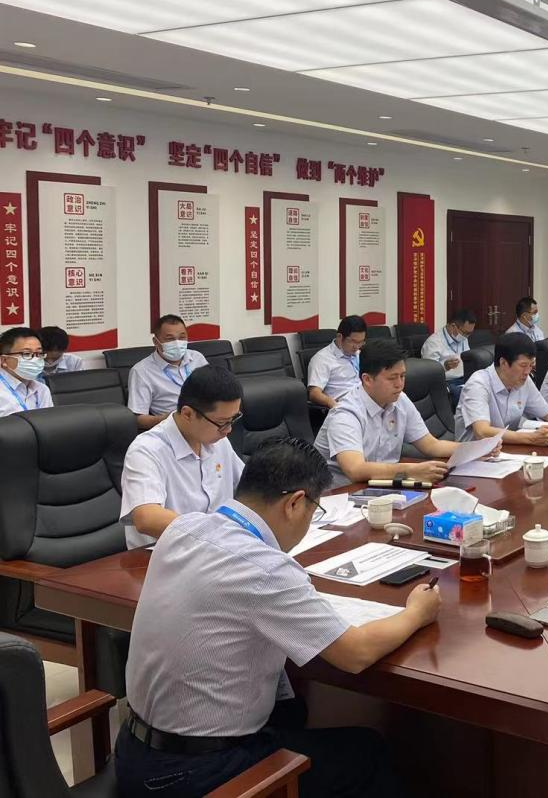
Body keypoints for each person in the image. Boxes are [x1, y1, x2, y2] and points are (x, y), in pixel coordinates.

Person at [115, 437, 434, 797]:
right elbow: (355, 653)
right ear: (295, 503)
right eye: (314, 509)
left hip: (133, 752)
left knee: (292, 711)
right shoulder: (265, 568)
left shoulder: (183, 529)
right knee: (366, 751)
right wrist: (416, 613)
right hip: (193, 775)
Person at [119, 366, 245, 550]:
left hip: (218, 550)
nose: (228, 430)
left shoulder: (218, 441)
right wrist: (215, 533)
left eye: (233, 419)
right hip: (167, 556)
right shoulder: (146, 450)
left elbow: (249, 488)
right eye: (221, 423)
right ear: (187, 414)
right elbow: (147, 518)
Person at [315, 339, 461, 488]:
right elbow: (355, 469)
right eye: (392, 378)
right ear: (367, 379)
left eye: (402, 376)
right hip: (342, 493)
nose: (399, 384)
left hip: (383, 486)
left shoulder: (400, 400)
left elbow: (431, 445)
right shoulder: (345, 414)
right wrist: (411, 470)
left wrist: (472, 450)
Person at [456, 332, 548, 444]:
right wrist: (530, 438)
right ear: (503, 363)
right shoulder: (478, 384)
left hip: (505, 452)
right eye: (523, 365)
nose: (528, 372)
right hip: (473, 460)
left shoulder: (523, 380)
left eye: (531, 365)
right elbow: (482, 432)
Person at [128, 315, 209, 431]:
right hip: (173, 427)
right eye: (170, 339)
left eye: (182, 337)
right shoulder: (141, 371)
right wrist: (166, 419)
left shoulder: (197, 358)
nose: (177, 343)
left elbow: (213, 389)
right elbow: (138, 419)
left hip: (208, 419)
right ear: (156, 342)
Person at [306, 315, 367, 410]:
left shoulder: (359, 354)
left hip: (366, 400)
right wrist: (334, 405)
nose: (357, 347)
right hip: (346, 406)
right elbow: (314, 394)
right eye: (353, 342)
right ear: (339, 337)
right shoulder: (322, 359)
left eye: (361, 342)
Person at [421, 308, 477, 401]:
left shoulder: (463, 338)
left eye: (470, 333)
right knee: (468, 396)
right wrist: (445, 367)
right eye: (465, 333)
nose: (467, 337)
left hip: (465, 378)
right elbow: (429, 374)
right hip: (447, 382)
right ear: (453, 326)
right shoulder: (433, 343)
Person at [0, 326, 53, 417]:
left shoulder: (42, 389)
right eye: (27, 354)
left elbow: (50, 422)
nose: (35, 359)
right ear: (4, 360)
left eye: (39, 353)